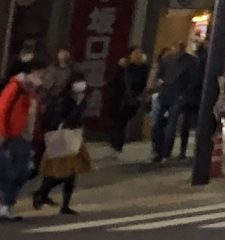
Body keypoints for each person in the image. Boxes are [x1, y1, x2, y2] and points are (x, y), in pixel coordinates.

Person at [30, 76, 91, 214]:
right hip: (63, 138)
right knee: (59, 172)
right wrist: (79, 105)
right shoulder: (64, 99)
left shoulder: (81, 99)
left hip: (74, 137)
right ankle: (42, 193)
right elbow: (68, 118)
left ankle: (61, 203)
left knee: (71, 172)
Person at [151, 43, 203, 164]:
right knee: (161, 124)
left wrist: (183, 95)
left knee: (169, 125)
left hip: (176, 96)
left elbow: (193, 80)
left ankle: (163, 152)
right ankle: (159, 151)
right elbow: (160, 75)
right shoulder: (172, 60)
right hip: (168, 95)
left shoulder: (187, 61)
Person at [0, 64, 40, 221]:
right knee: (10, 173)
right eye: (38, 74)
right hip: (12, 136)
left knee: (21, 172)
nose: (40, 79)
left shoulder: (29, 92)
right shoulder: (14, 88)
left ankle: (6, 205)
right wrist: (3, 133)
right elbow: (2, 110)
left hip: (24, 137)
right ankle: (5, 205)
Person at [105, 48, 150, 154]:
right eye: (134, 54)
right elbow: (115, 80)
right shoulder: (125, 67)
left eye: (138, 54)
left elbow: (141, 84)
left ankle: (117, 144)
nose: (135, 56)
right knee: (117, 121)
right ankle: (115, 143)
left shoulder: (142, 69)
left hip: (130, 100)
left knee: (121, 121)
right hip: (119, 97)